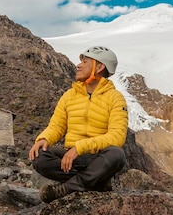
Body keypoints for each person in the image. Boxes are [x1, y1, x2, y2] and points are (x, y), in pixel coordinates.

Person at [28, 46, 129, 203]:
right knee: (40, 156)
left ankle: (65, 189)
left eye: (85, 61)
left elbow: (117, 137)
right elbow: (56, 126)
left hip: (96, 157)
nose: (78, 65)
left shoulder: (115, 98)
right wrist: (44, 139)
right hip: (71, 158)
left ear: (100, 67)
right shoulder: (69, 96)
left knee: (116, 155)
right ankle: (95, 180)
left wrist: (80, 148)